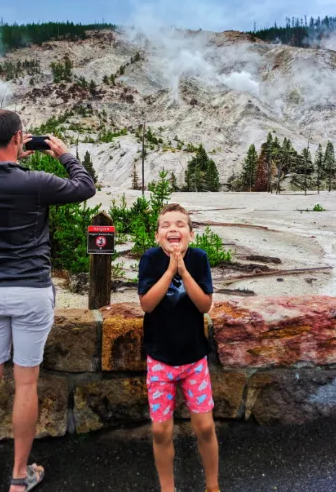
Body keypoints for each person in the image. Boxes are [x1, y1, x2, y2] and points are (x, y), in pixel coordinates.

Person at [0, 109, 96, 492]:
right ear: (20, 137)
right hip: (32, 292)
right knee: (25, 384)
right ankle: (20, 476)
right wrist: (64, 154)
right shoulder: (35, 182)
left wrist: (14, 153)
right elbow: (85, 187)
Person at [138, 203, 220, 492]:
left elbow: (204, 304)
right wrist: (170, 268)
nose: (173, 228)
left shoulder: (199, 259)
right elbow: (147, 304)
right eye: (166, 225)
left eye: (180, 224)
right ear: (158, 235)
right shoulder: (149, 259)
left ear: (191, 234)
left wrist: (183, 272)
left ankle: (212, 486)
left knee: (206, 427)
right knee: (161, 430)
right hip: (159, 360)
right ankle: (168, 488)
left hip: (194, 358)